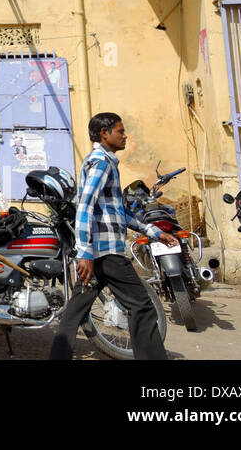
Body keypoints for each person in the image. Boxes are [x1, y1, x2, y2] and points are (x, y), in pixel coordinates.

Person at [49, 112, 176, 360]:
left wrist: (154, 232)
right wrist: (84, 252)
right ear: (104, 134)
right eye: (120, 131)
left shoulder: (105, 162)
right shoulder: (102, 162)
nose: (125, 135)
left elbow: (117, 212)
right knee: (142, 307)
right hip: (106, 254)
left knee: (74, 312)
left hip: (97, 254)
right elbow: (85, 205)